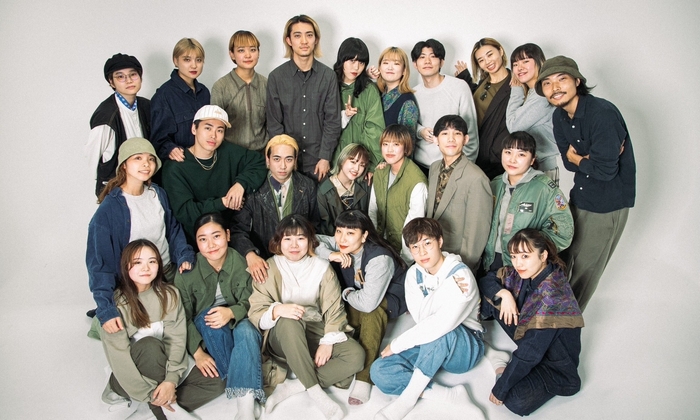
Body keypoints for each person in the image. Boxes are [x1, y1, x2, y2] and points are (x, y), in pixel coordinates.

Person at [536, 56, 636, 311]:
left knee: (584, 272)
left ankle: (567, 325)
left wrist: (579, 158)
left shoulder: (603, 114)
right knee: (562, 258)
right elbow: (568, 163)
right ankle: (550, 317)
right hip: (580, 197)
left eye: (562, 79)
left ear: (577, 81)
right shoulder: (559, 117)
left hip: (607, 204)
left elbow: (605, 170)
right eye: (547, 83)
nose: (555, 87)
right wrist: (584, 161)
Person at [248, 215, 364, 420]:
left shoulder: (322, 267)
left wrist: (328, 341)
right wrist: (278, 310)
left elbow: (334, 309)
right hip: (282, 336)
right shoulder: (268, 267)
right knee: (289, 321)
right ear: (278, 242)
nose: (294, 245)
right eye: (287, 239)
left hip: (313, 327)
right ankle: (316, 393)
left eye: (300, 239)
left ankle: (294, 386)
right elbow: (256, 311)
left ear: (310, 241)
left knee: (356, 355)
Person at [370, 218, 484, 420]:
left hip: (465, 346)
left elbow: (440, 325)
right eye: (415, 247)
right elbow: (422, 318)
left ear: (440, 241)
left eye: (427, 243)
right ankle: (447, 395)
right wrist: (446, 291)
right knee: (379, 371)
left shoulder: (461, 276)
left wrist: (397, 344)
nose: (422, 252)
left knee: (440, 332)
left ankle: (407, 400)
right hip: (429, 339)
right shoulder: (414, 274)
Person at [100, 239, 224, 420]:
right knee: (150, 345)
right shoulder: (115, 305)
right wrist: (148, 394)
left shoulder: (169, 294)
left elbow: (176, 339)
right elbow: (119, 357)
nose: (146, 268)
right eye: (138, 262)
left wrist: (171, 381)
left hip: (165, 366)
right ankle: (163, 408)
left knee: (218, 381)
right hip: (131, 375)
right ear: (126, 266)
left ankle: (154, 405)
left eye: (152, 261)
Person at [87, 138, 194, 332]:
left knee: (186, 315)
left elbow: (173, 230)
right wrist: (105, 307)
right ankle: (104, 313)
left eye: (150, 159)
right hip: (135, 281)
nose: (146, 164)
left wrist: (183, 254)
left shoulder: (158, 194)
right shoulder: (110, 208)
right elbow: (99, 262)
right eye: (138, 158)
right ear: (124, 165)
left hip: (166, 273)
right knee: (137, 327)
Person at [478, 229, 584, 416]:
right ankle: (472, 339)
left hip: (553, 364)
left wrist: (501, 388)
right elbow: (487, 279)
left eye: (525, 256)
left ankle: (504, 367)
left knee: (515, 400)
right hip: (532, 340)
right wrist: (505, 295)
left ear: (543, 256)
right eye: (514, 256)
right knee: (493, 296)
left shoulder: (552, 296)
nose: (518, 263)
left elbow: (530, 351)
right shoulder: (526, 273)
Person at [175, 213, 264, 420]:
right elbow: (180, 317)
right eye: (203, 239)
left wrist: (232, 312)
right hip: (208, 329)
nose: (211, 245)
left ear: (228, 235)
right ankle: (249, 388)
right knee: (209, 317)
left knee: (246, 330)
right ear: (196, 242)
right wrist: (197, 353)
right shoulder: (186, 271)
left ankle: (245, 405)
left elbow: (253, 300)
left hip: (240, 319)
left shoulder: (241, 261)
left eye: (216, 236)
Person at [315, 210, 407, 405]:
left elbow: (368, 303)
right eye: (339, 231)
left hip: (388, 300)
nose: (342, 238)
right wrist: (331, 254)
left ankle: (364, 378)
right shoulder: (342, 244)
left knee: (371, 313)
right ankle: (347, 362)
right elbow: (312, 240)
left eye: (350, 233)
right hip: (359, 295)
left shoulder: (379, 258)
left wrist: (346, 293)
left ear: (364, 236)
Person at [162, 105, 267, 244]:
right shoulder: (175, 167)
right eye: (208, 128)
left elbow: (260, 162)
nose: (213, 135)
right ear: (194, 129)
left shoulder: (228, 151)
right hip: (196, 241)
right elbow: (186, 213)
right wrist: (223, 202)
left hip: (231, 235)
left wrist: (241, 184)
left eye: (220, 130)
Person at [230, 135, 319, 284]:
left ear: (295, 161)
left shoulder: (307, 186)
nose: (282, 166)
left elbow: (315, 225)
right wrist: (250, 254)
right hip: (264, 260)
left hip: (300, 260)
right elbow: (238, 230)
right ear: (267, 159)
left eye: (288, 159)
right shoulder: (253, 188)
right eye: (277, 159)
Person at [482, 131, 573, 274]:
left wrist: (531, 249)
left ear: (532, 159)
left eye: (521, 154)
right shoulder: (495, 184)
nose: (512, 160)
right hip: (490, 261)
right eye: (508, 152)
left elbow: (563, 232)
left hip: (524, 267)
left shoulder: (544, 188)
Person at [266, 14, 341, 182]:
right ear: (289, 40)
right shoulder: (276, 78)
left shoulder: (328, 76)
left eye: (309, 35)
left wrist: (325, 157)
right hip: (288, 164)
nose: (304, 41)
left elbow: (332, 121)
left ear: (316, 39)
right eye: (297, 35)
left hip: (319, 163)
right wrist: (285, 160)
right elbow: (274, 124)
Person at [427, 114, 492, 273]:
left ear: (466, 139)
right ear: (435, 139)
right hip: (432, 254)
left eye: (457, 133)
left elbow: (476, 233)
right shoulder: (434, 168)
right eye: (444, 133)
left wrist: (463, 268)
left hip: (457, 260)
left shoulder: (476, 178)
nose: (451, 139)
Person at [87, 53, 151, 197]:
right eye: (120, 76)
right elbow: (93, 157)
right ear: (111, 82)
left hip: (143, 185)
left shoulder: (147, 106)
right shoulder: (106, 115)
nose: (129, 80)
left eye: (133, 74)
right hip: (115, 188)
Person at [411, 39, 479, 173]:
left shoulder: (459, 87)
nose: (427, 61)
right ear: (415, 64)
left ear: (442, 62)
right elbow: (408, 124)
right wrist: (420, 131)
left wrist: (465, 167)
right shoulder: (413, 93)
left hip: (453, 166)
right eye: (422, 57)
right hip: (421, 167)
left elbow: (470, 130)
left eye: (433, 56)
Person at [368, 124, 427, 263]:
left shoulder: (417, 181)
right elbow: (372, 211)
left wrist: (404, 262)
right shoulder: (380, 172)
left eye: (396, 144)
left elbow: (413, 228)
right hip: (380, 246)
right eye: (385, 144)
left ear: (406, 148)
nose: (389, 149)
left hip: (404, 253)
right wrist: (373, 246)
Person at [505, 43, 559, 184]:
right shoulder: (532, 92)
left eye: (525, 61)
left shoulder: (541, 94)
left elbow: (514, 127)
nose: (519, 68)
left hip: (542, 169)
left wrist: (516, 90)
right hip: (531, 166)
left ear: (539, 62)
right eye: (515, 64)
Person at [151, 38, 211, 162]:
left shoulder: (204, 92)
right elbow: (158, 140)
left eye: (198, 60)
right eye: (187, 60)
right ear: (175, 60)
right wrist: (170, 149)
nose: (194, 65)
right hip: (179, 163)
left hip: (204, 160)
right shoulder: (164, 95)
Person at [332, 37, 385, 172]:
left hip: (359, 167)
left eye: (361, 62)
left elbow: (374, 130)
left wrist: (369, 165)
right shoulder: (328, 85)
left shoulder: (369, 90)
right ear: (342, 59)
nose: (356, 67)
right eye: (352, 60)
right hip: (331, 164)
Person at [211, 30, 268, 153]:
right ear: (232, 54)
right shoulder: (221, 86)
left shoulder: (267, 84)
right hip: (230, 154)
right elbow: (215, 126)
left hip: (260, 155)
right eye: (241, 50)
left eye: (252, 50)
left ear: (258, 53)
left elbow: (272, 123)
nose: (248, 55)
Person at [470, 38, 512, 179]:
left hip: (497, 157)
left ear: (500, 51)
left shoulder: (515, 84)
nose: (487, 62)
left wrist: (496, 151)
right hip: (477, 151)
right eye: (481, 60)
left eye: (490, 54)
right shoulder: (484, 82)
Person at [317, 143, 371, 236]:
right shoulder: (324, 190)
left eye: (362, 165)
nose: (357, 168)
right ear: (342, 160)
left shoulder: (365, 185)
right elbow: (326, 227)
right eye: (353, 162)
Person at [374, 47, 419, 147]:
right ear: (379, 68)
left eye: (396, 63)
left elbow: (408, 144)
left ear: (404, 70)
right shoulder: (376, 93)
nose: (390, 68)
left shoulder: (407, 101)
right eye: (386, 63)